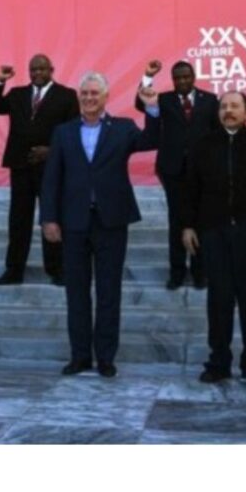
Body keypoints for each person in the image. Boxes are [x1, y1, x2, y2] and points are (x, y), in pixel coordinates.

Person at [40, 73, 161, 378]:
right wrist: (49, 218)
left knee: (109, 292)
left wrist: (153, 110)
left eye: (95, 93)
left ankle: (105, 357)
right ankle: (80, 356)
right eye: (84, 93)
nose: (89, 98)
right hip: (74, 223)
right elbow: (52, 178)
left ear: (106, 97)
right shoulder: (63, 132)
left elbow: (153, 139)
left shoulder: (122, 128)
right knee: (76, 293)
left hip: (111, 222)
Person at [181, 57, 246, 386]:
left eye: (235, 106)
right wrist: (187, 225)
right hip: (213, 231)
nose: (228, 110)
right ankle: (219, 362)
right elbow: (190, 189)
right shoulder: (203, 145)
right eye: (224, 106)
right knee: (219, 300)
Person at [0, 54, 79, 286]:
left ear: (51, 69)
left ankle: (57, 269)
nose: (37, 73)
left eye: (41, 69)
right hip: (21, 165)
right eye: (33, 69)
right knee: (18, 220)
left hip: (51, 168)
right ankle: (14, 270)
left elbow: (73, 130)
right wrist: (0, 81)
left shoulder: (66, 95)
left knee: (52, 217)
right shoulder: (17, 94)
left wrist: (51, 151)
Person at [137, 59, 219, 289]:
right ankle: (177, 272)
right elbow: (140, 102)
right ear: (173, 80)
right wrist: (147, 76)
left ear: (193, 77)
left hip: (202, 170)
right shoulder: (163, 100)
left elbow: (216, 134)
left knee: (201, 220)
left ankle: (200, 272)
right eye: (178, 78)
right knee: (177, 220)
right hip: (172, 169)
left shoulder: (210, 100)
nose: (182, 81)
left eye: (186, 77)